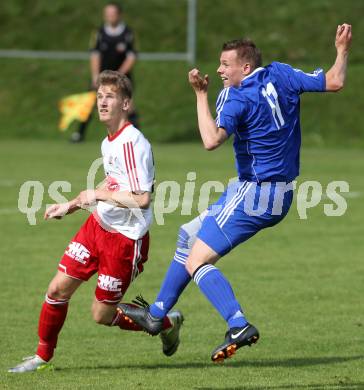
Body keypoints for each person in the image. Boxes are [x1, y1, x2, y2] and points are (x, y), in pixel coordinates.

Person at [119, 24, 352, 362]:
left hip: (256, 193)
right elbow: (335, 81)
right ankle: (156, 314)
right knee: (188, 237)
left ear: (244, 67)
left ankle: (238, 324)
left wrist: (200, 95)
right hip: (276, 191)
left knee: (198, 260)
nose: (219, 71)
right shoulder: (283, 74)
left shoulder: (236, 94)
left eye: (224, 65)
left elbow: (211, 140)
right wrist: (342, 50)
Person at [9, 70, 183, 373]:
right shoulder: (109, 142)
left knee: (102, 315)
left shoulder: (133, 143)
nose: (102, 102)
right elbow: (112, 181)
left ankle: (165, 323)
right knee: (57, 290)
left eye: (110, 96)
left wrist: (97, 195)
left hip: (125, 240)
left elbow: (143, 199)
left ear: (126, 103)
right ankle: (42, 357)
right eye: (100, 96)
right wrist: (74, 204)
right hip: (96, 228)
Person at [71, 2, 139, 143]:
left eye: (112, 14)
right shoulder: (99, 33)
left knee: (128, 106)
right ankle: (79, 134)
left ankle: (136, 136)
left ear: (119, 15)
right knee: (90, 104)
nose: (109, 17)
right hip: (103, 77)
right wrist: (95, 76)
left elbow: (131, 57)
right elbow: (95, 55)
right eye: (107, 14)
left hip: (122, 77)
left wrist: (119, 76)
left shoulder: (127, 33)